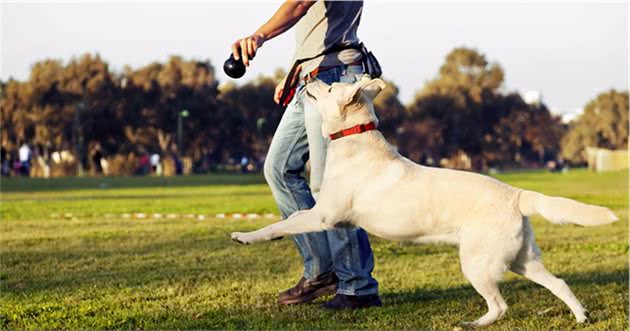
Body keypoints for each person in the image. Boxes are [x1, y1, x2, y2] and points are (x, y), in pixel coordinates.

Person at [231, 0, 380, 309]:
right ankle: (321, 272)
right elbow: (317, 26)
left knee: (330, 187)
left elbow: (299, 4)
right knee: (279, 169)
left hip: (334, 79)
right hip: (312, 77)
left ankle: (357, 285)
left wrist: (258, 36)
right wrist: (296, 71)